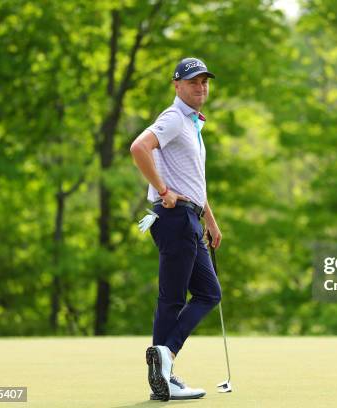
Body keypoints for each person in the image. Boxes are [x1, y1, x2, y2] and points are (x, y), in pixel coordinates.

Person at [129, 57, 223, 401]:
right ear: (177, 85)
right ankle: (165, 366)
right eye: (194, 81)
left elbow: (194, 182)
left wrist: (210, 220)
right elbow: (139, 147)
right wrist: (164, 191)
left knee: (209, 293)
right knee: (171, 298)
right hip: (175, 217)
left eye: (205, 82)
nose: (201, 87)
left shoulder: (191, 125)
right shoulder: (173, 118)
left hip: (190, 218)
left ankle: (164, 359)